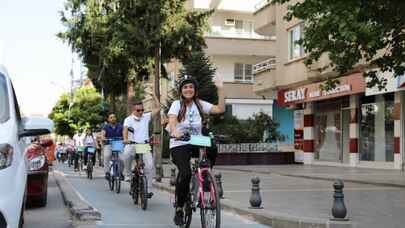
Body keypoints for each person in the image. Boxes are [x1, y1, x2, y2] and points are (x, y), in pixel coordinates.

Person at [167, 75, 224, 225]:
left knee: (212, 146)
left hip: (196, 140)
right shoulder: (176, 105)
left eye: (191, 87)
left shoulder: (200, 104)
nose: (188, 89)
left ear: (195, 90)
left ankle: (206, 175)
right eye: (185, 87)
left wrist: (220, 89)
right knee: (185, 173)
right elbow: (172, 120)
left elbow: (220, 109)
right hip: (179, 142)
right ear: (181, 90)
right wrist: (174, 131)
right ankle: (179, 208)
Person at [122, 90, 160, 195]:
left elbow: (158, 108)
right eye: (138, 110)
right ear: (133, 110)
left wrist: (154, 96)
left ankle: (147, 188)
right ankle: (128, 174)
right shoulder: (128, 119)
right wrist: (125, 139)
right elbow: (125, 130)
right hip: (132, 144)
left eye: (142, 110)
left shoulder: (146, 117)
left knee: (150, 165)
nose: (141, 112)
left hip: (143, 145)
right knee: (126, 154)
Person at [101, 113, 123, 179]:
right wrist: (104, 138)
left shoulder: (120, 126)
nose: (113, 118)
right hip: (108, 143)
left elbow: (124, 133)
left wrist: (124, 138)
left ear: (116, 118)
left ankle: (120, 172)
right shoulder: (106, 126)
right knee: (107, 156)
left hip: (118, 144)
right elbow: (102, 135)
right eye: (111, 117)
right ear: (108, 119)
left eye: (114, 117)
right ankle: (107, 172)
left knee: (123, 159)